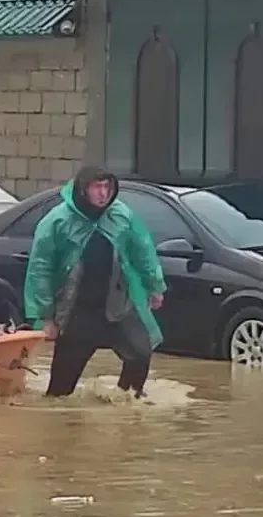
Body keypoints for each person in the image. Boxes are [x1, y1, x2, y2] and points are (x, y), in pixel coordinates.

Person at [23, 165, 166, 399]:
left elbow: (143, 251)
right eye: (97, 187)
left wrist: (155, 286)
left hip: (117, 307)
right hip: (78, 313)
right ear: (82, 190)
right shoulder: (56, 222)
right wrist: (45, 316)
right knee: (60, 393)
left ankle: (125, 403)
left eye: (106, 187)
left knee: (141, 352)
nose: (103, 193)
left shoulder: (121, 215)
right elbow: (40, 269)